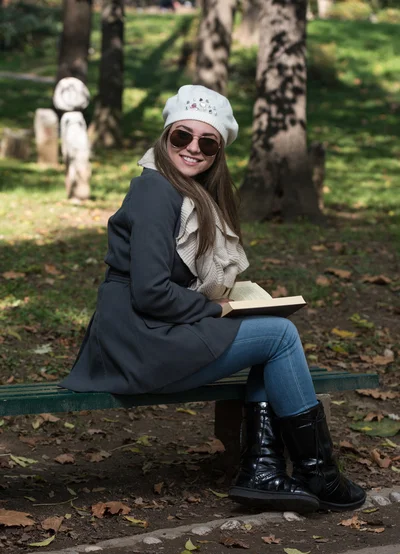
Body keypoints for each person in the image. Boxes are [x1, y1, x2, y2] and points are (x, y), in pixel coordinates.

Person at [61, 85, 365, 514]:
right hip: (137, 341)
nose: (193, 148)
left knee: (271, 341)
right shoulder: (155, 192)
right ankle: (318, 472)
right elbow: (150, 292)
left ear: (218, 153)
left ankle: (264, 468)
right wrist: (217, 308)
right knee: (279, 336)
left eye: (208, 142)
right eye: (181, 136)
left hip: (142, 335)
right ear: (165, 136)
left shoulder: (184, 193)